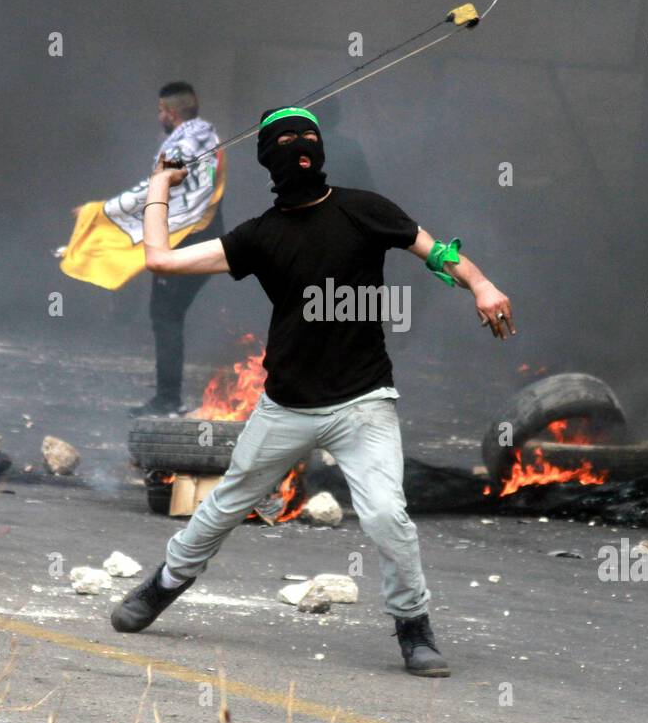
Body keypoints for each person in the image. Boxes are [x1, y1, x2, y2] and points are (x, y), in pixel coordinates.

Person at [110, 106, 516, 677]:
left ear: (321, 151)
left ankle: (414, 628)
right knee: (226, 504)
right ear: (267, 159)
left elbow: (438, 254)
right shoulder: (258, 236)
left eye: (308, 138)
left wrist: (481, 283)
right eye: (286, 139)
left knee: (386, 517)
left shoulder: (366, 209)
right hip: (286, 407)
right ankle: (163, 585)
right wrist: (159, 185)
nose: (300, 147)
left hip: (363, 403)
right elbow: (160, 259)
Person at [129, 81, 224, 416]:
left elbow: (155, 191)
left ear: (170, 112)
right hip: (204, 238)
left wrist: (100, 213)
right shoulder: (206, 136)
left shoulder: (181, 145)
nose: (158, 116)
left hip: (185, 241)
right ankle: (168, 396)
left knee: (165, 315)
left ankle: (168, 399)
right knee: (170, 314)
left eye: (159, 110)